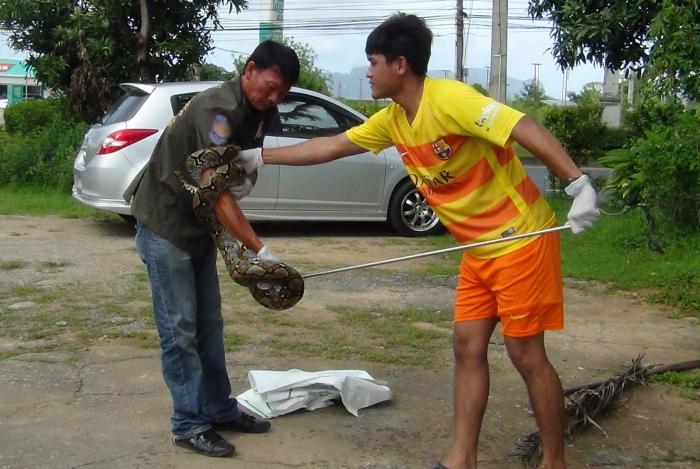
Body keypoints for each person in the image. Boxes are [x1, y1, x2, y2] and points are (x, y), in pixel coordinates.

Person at [236, 13, 599, 469]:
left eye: (373, 62)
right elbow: (330, 146)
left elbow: (521, 125)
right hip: (478, 251)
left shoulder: (451, 101)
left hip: (520, 240)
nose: (367, 72)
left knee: (526, 355)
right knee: (467, 348)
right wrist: (260, 157)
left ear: (400, 64)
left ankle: (554, 462)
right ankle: (460, 458)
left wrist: (577, 183)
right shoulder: (393, 119)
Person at [130, 40, 300, 458]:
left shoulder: (257, 110)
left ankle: (219, 408)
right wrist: (258, 250)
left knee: (209, 323)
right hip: (167, 224)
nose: (274, 97)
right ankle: (188, 423)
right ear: (250, 69)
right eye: (271, 86)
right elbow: (215, 192)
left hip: (198, 228)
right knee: (180, 330)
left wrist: (247, 169)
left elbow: (230, 172)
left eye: (282, 92)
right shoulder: (217, 111)